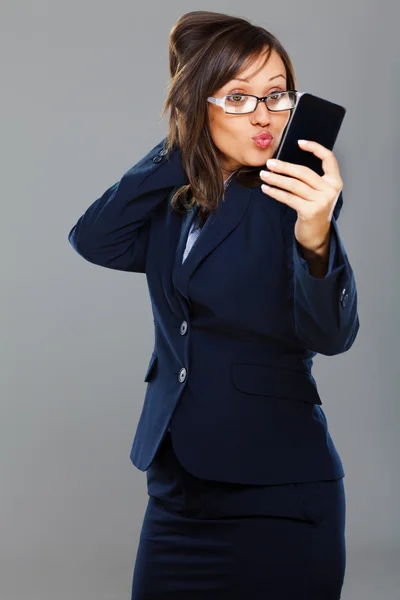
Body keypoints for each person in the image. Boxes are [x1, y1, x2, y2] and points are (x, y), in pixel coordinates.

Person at [67, 10, 359, 600]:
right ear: (198, 104)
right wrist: (183, 143)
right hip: (178, 495)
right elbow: (95, 239)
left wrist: (318, 235)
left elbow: (331, 334)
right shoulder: (176, 204)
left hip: (277, 497)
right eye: (238, 97)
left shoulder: (295, 201)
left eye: (277, 95)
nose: (265, 115)